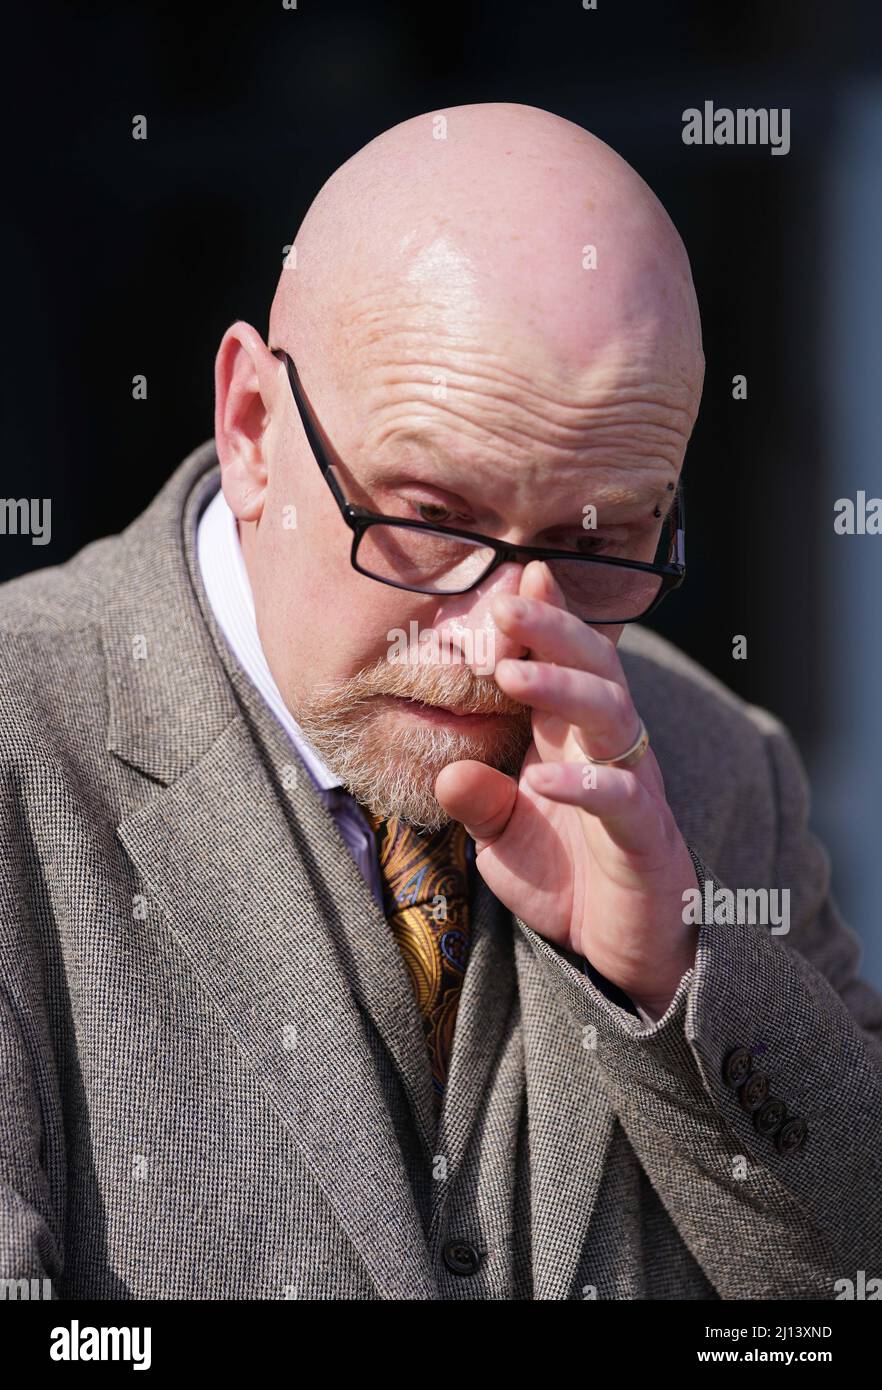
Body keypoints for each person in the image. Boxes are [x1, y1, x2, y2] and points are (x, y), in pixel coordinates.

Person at [1, 102, 880, 1301]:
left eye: (598, 541)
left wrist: (680, 976)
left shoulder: (721, 773)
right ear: (253, 426)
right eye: (429, 518)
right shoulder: (17, 752)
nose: (498, 639)